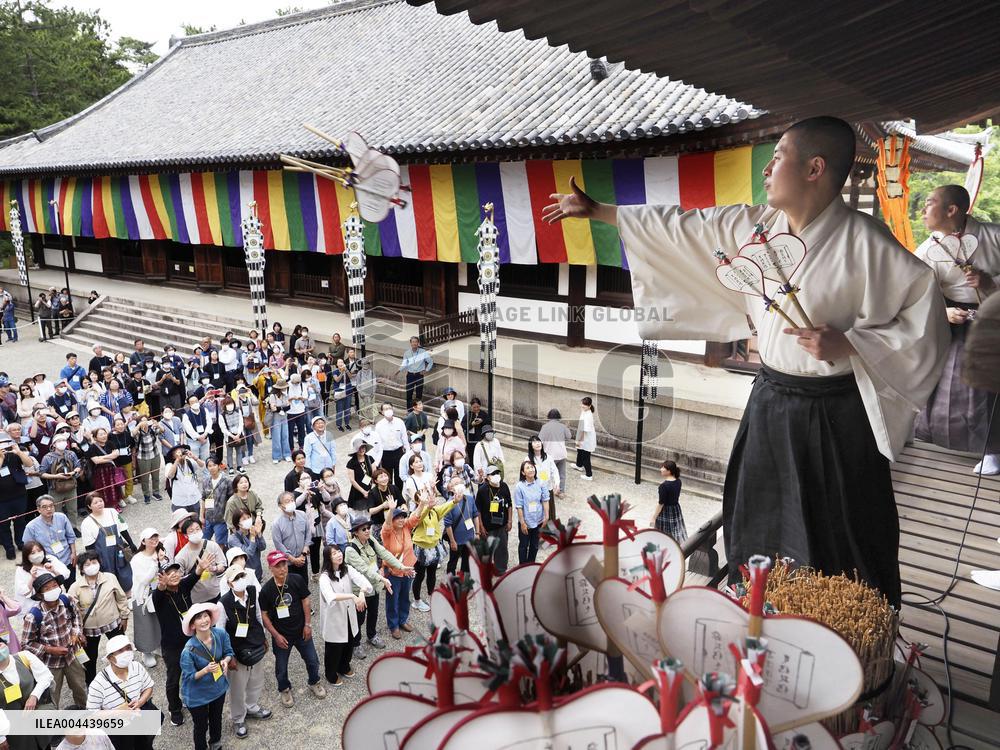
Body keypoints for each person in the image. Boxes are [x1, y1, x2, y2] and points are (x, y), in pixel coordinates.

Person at [544, 116, 950, 603]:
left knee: (837, 528)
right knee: (759, 515)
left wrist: (853, 344)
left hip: (837, 414)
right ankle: (760, 606)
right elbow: (684, 227)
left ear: (815, 168)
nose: (767, 169)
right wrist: (599, 211)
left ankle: (842, 623)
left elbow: (926, 317)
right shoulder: (758, 229)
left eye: (778, 157)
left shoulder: (865, 243)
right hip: (773, 400)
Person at [914, 184, 1000, 475]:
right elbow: (914, 290)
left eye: (929, 203)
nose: (923, 211)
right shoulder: (929, 248)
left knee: (989, 386)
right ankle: (977, 445)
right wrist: (942, 311)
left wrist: (990, 283)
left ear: (951, 210)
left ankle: (994, 449)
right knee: (955, 387)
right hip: (954, 321)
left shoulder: (994, 235)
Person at [259, 550, 326, 707]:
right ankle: (284, 688)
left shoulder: (296, 580)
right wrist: (275, 635)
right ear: (270, 568)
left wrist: (308, 625)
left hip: (302, 631)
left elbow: (306, 602)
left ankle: (314, 681)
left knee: (312, 660)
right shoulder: (266, 590)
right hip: (282, 636)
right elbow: (264, 615)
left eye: (284, 564)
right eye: (278, 566)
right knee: (281, 668)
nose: (283, 568)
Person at [151, 556, 208, 727]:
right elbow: (158, 594)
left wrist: (201, 568)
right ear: (162, 577)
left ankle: (192, 699)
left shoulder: (183, 586)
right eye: (169, 573)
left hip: (191, 640)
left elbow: (194, 576)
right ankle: (174, 709)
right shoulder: (159, 596)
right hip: (172, 646)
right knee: (174, 678)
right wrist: (160, 587)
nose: (174, 575)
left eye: (176, 571)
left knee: (194, 672)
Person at [218, 566, 273, 740]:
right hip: (237, 650)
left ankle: (251, 706)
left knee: (256, 680)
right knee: (237, 686)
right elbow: (220, 631)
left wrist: (263, 638)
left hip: (255, 644)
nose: (241, 579)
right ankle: (238, 718)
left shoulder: (252, 593)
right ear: (229, 583)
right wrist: (229, 656)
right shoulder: (223, 603)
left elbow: (257, 616)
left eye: (242, 575)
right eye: (236, 578)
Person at [20, 572, 87, 708]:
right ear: (40, 595)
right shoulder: (33, 616)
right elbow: (26, 644)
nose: (53, 590)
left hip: (72, 656)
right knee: (52, 695)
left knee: (80, 688)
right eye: (47, 589)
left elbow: (77, 618)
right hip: (50, 663)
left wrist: (76, 633)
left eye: (55, 586)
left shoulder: (67, 601)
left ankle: (86, 713)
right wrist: (49, 649)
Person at [344, 516, 407, 655]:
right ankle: (355, 644)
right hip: (360, 591)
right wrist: (382, 579)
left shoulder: (370, 540)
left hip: (374, 587)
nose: (368, 531)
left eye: (368, 528)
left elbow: (384, 553)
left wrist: (401, 567)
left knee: (373, 613)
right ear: (355, 532)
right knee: (359, 618)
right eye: (364, 529)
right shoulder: (351, 549)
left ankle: (371, 636)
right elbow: (365, 569)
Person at [67, 552, 129, 684]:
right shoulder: (75, 587)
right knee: (90, 657)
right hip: (89, 629)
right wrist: (77, 632)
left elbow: (121, 598)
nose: (92, 566)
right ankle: (92, 683)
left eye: (94, 562)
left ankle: (126, 674)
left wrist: (124, 616)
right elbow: (72, 612)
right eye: (87, 564)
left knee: (121, 650)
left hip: (112, 623)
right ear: (81, 569)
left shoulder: (110, 578)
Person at [85, 635, 156, 750]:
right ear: (110, 658)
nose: (126, 652)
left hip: (140, 723)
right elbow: (91, 716)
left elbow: (148, 687)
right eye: (120, 651)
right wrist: (118, 712)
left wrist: (140, 702)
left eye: (128, 648)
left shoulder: (137, 667)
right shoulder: (98, 684)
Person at [180, 602, 234, 750]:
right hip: (197, 695)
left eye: (206, 616)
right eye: (199, 618)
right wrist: (205, 670)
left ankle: (215, 742)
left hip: (218, 688)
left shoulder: (221, 634)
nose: (204, 620)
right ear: (192, 625)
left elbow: (229, 652)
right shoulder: (188, 650)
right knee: (201, 725)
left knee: (216, 718)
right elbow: (189, 677)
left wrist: (225, 661)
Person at [318, 544, 371, 685]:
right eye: (334, 553)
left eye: (339, 552)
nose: (339, 555)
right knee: (334, 648)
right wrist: (352, 596)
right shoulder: (324, 577)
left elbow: (363, 580)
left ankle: (344, 666)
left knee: (349, 641)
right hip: (334, 618)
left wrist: (361, 593)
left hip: (348, 614)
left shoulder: (346, 569)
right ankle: (330, 674)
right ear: (328, 558)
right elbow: (331, 596)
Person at [0, 632, 55, 750]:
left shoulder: (24, 657)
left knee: (45, 746)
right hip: (15, 731)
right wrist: (1, 737)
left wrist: (34, 696)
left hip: (38, 718)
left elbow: (46, 676)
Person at [80, 493, 136, 594]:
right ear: (89, 506)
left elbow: (123, 529)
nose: (99, 504)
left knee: (125, 574)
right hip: (103, 556)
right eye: (95, 503)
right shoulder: (86, 523)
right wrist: (93, 561)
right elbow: (88, 547)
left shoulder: (112, 512)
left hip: (119, 551)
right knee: (108, 578)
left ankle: (127, 596)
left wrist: (131, 543)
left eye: (100, 501)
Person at [410, 490, 456, 613]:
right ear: (417, 501)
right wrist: (426, 507)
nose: (429, 500)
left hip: (434, 546)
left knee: (432, 574)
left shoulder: (434, 511)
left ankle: (431, 596)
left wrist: (455, 500)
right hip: (421, 548)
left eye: (429, 497)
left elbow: (445, 507)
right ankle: (417, 600)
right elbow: (418, 519)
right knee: (419, 576)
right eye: (424, 499)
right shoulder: (415, 513)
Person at [129, 528, 164, 668]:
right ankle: (146, 651)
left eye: (156, 536)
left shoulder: (160, 553)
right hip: (143, 596)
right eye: (151, 538)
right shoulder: (137, 559)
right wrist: (155, 563)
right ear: (143, 541)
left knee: (159, 621)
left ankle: (158, 645)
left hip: (159, 592)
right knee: (145, 624)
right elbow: (144, 580)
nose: (154, 540)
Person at [174, 517, 227, 604]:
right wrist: (197, 571)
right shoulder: (181, 557)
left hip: (216, 593)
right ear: (185, 535)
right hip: (197, 599)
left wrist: (214, 568)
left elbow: (223, 564)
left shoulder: (212, 545)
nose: (195, 532)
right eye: (191, 531)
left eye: (197, 529)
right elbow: (180, 581)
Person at [0, 431, 34, 558]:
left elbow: (29, 464)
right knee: (4, 525)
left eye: (5, 444)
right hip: (2, 500)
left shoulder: (14, 455)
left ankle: (20, 542)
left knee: (20, 520)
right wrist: (1, 458)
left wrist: (18, 451)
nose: (4, 447)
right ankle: (9, 547)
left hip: (19, 494)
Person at [22, 494, 77, 573]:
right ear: (38, 509)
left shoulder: (62, 517)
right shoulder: (31, 527)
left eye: (51, 506)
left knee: (71, 583)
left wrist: (74, 553)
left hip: (67, 558)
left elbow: (71, 537)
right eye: (44, 507)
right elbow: (27, 548)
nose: (49, 509)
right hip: (47, 563)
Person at [14, 541, 71, 614]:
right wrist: (32, 578)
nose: (37, 555)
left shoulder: (51, 559)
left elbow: (66, 574)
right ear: (26, 556)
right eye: (33, 553)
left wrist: (54, 571)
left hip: (55, 599)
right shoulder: (22, 570)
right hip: (36, 607)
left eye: (39, 551)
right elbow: (25, 592)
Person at [475, 465, 513, 573]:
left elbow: (509, 504)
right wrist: (481, 527)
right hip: (488, 527)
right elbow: (478, 510)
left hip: (502, 525)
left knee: (502, 549)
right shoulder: (482, 490)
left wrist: (510, 521)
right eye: (493, 474)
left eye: (497, 473)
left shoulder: (504, 486)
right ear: (487, 477)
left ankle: (500, 570)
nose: (496, 475)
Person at [443, 476, 482, 575]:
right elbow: (448, 524)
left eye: (460, 483)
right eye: (456, 484)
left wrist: (477, 533)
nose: (459, 485)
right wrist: (452, 541)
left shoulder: (470, 499)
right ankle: (450, 583)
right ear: (451, 488)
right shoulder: (449, 503)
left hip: (469, 538)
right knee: (453, 562)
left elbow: (475, 515)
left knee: (467, 562)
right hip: (456, 540)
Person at [271, 492, 311, 583]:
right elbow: (279, 544)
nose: (291, 503)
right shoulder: (276, 524)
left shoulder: (302, 515)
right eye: (287, 501)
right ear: (281, 506)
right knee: (291, 586)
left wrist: (304, 551)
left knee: (304, 584)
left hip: (302, 558)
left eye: (292, 500)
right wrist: (293, 559)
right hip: (288, 563)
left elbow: (308, 533)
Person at [514, 460, 549, 564]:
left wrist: (546, 517)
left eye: (532, 467)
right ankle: (522, 566)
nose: (531, 469)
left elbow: (545, 499)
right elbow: (519, 506)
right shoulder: (520, 487)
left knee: (534, 545)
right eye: (527, 468)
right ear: (523, 472)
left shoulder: (541, 482)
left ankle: (530, 565)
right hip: (526, 521)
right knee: (523, 546)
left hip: (538, 520)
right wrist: (522, 523)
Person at [650, 460, 688, 543]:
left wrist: (653, 517)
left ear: (669, 471)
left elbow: (661, 504)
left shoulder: (663, 486)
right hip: (676, 509)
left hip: (666, 511)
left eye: (663, 468)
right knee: (676, 530)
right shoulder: (678, 481)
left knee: (663, 533)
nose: (661, 469)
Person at [538, 409, 572, 498]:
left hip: (549, 454)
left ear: (549, 417)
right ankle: (561, 492)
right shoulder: (563, 426)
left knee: (545, 473)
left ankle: (545, 490)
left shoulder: (545, 427)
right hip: (561, 454)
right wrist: (567, 427)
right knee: (562, 473)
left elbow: (539, 440)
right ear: (558, 417)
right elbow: (569, 437)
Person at [130, 416, 163, 505]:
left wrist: (157, 425)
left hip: (155, 455)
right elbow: (132, 434)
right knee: (145, 478)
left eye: (146, 420)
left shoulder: (152, 429)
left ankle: (156, 492)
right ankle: (146, 495)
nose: (145, 422)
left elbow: (162, 430)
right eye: (142, 421)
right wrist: (139, 425)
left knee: (156, 476)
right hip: (143, 457)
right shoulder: (138, 432)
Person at [227, 512, 266, 584]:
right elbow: (249, 553)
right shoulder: (233, 539)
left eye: (249, 517)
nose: (248, 520)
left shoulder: (253, 530)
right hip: (244, 575)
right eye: (244, 519)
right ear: (238, 524)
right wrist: (253, 537)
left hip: (257, 571)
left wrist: (259, 533)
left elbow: (263, 547)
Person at [375, 402, 408, 489]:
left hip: (398, 452)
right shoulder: (379, 426)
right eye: (385, 409)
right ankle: (389, 496)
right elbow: (377, 443)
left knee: (399, 477)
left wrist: (408, 454)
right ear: (382, 412)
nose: (388, 410)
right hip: (386, 454)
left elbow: (405, 438)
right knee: (387, 477)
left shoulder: (399, 422)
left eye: (389, 408)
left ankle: (399, 497)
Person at [527, 435, 561, 519]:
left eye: (538, 441)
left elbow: (555, 471)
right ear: (531, 446)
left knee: (549, 513)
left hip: (547, 489)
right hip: (535, 490)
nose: (538, 444)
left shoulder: (548, 457)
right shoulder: (528, 459)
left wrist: (557, 483)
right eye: (534, 442)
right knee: (536, 513)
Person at [365, 467, 403, 542]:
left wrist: (403, 508)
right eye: (381, 477)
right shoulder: (372, 493)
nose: (384, 478)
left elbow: (402, 502)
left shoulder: (393, 488)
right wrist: (382, 506)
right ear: (376, 480)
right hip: (379, 524)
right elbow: (370, 511)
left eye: (385, 476)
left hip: (393, 522)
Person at [165, 445, 204, 514]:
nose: (181, 452)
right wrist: (177, 460)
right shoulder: (170, 465)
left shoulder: (189, 462)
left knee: (196, 521)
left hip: (193, 499)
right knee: (182, 523)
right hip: (180, 501)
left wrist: (194, 457)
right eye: (177, 452)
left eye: (182, 450)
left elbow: (202, 465)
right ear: (173, 456)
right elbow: (170, 475)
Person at [399, 336, 433, 410]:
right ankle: (409, 410)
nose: (414, 343)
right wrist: (398, 371)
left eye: (416, 342)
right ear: (410, 343)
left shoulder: (423, 352)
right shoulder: (407, 353)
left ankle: (418, 409)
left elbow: (430, 362)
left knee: (419, 394)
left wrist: (426, 370)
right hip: (410, 375)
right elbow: (404, 364)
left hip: (419, 375)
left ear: (418, 343)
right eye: (413, 342)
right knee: (409, 393)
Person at [345, 438, 376, 512]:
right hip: (357, 491)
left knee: (371, 510)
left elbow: (375, 473)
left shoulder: (369, 458)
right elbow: (352, 480)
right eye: (359, 448)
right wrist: (363, 492)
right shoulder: (351, 463)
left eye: (363, 447)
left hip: (369, 488)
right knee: (361, 512)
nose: (362, 450)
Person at [266, 379, 292, 463]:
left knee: (285, 435)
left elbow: (289, 406)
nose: (285, 389)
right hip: (275, 418)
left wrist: (280, 408)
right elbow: (273, 408)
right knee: (276, 437)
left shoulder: (285, 395)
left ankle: (286, 454)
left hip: (284, 417)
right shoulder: (272, 396)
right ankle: (276, 456)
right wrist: (281, 408)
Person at [218, 396, 247, 469]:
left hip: (238, 434)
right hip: (229, 436)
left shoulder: (238, 411)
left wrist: (238, 434)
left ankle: (239, 466)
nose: (230, 406)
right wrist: (232, 436)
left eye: (231, 403)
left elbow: (241, 423)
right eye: (228, 404)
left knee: (239, 451)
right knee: (229, 452)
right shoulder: (222, 415)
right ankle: (230, 467)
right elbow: (223, 428)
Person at [182, 395, 214, 462]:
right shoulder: (186, 416)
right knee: (194, 461)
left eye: (196, 401)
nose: (195, 403)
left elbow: (209, 422)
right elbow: (189, 430)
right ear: (189, 405)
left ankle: (206, 472)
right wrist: (199, 437)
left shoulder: (204, 410)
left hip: (205, 439)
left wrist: (205, 434)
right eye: (192, 402)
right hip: (193, 442)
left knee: (206, 459)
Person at [572, 397, 596, 482]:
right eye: (582, 404)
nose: (582, 406)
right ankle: (579, 465)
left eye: (585, 405)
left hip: (586, 439)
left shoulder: (588, 415)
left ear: (589, 406)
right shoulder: (584, 411)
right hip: (583, 436)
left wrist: (579, 440)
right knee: (580, 451)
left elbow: (585, 431)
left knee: (585, 456)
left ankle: (589, 475)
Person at [286, 373, 308, 452]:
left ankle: (301, 445)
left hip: (301, 410)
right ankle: (290, 447)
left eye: (298, 383)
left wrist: (301, 398)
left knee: (301, 429)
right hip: (290, 412)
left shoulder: (302, 385)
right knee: (290, 431)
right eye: (295, 383)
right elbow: (285, 398)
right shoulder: (287, 385)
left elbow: (305, 397)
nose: (296, 384)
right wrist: (291, 398)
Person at [331, 359, 353, 430]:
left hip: (348, 391)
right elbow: (337, 379)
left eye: (342, 362)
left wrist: (346, 370)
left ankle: (347, 423)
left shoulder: (347, 370)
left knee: (347, 409)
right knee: (339, 410)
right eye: (339, 362)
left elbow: (351, 377)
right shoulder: (335, 371)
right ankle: (339, 425)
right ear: (337, 364)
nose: (341, 363)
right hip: (339, 391)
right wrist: (342, 372)